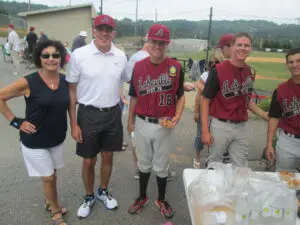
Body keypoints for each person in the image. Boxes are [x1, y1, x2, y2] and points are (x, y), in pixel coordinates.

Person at [66, 14, 129, 218]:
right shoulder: (79, 55)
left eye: (108, 30)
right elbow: (72, 91)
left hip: (112, 113)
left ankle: (103, 191)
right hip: (88, 114)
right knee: (88, 161)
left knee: (108, 156)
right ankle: (89, 195)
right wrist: (74, 123)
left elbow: (124, 79)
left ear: (114, 33)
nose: (104, 33)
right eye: (100, 29)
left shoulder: (120, 56)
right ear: (94, 30)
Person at [0, 40, 69, 225]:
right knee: (48, 177)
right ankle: (56, 212)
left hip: (56, 138)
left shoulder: (65, 80)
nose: (51, 59)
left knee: (52, 173)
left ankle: (49, 201)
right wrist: (16, 122)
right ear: (39, 58)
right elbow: (1, 96)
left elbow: (70, 105)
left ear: (61, 57)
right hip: (34, 139)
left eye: (55, 55)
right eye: (46, 55)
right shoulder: (29, 81)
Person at [127, 24, 185, 218]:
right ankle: (142, 196)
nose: (158, 45)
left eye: (162, 42)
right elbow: (133, 96)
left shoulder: (175, 67)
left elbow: (180, 96)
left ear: (167, 44)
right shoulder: (138, 66)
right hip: (142, 122)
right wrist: (130, 121)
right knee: (143, 163)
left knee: (161, 165)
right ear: (148, 42)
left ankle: (161, 199)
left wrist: (177, 115)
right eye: (154, 41)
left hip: (164, 124)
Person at [201, 32, 269, 167]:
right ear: (231, 47)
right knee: (215, 162)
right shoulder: (218, 70)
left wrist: (263, 114)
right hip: (221, 125)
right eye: (239, 45)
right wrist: (204, 131)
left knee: (241, 166)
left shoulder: (249, 71)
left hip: (241, 126)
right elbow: (205, 100)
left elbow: (246, 99)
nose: (243, 48)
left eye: (246, 45)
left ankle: (236, 188)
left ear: (250, 49)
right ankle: (215, 188)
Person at [265, 48, 300, 172]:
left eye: (298, 61)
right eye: (291, 62)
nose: (295, 65)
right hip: (288, 141)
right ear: (287, 65)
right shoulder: (281, 89)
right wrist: (269, 144)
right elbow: (274, 118)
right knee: (283, 179)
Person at [193, 50, 224, 168]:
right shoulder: (205, 75)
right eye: (211, 63)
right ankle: (197, 158)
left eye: (216, 62)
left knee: (216, 137)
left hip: (216, 112)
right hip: (204, 111)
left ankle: (213, 160)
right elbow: (198, 95)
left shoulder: (223, 75)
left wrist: (204, 87)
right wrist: (196, 111)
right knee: (200, 135)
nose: (213, 65)